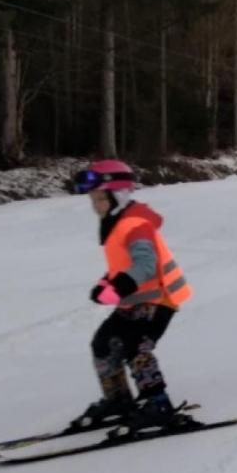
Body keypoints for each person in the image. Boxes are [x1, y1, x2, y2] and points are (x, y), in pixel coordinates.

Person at [72, 159, 196, 432]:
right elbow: (123, 266)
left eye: (100, 199)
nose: (96, 206)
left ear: (118, 195)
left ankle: (158, 402)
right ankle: (118, 399)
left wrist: (120, 286)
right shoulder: (117, 223)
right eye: (93, 200)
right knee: (103, 344)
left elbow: (144, 264)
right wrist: (107, 283)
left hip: (159, 299)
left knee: (136, 347)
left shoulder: (136, 224)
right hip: (136, 300)